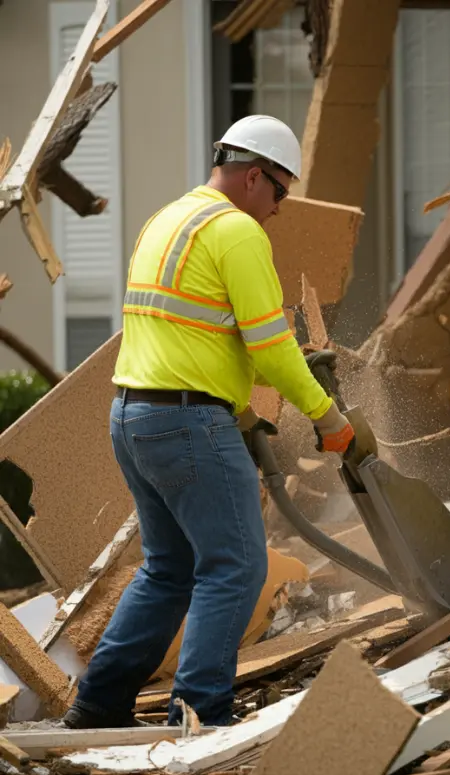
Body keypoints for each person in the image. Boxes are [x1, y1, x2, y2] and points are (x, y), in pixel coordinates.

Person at [61, 115, 355, 729]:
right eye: (279, 193)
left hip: (133, 416)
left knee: (169, 567)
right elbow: (268, 347)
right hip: (187, 423)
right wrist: (328, 417)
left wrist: (249, 398)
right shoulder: (238, 233)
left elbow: (198, 334)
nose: (277, 210)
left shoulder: (165, 221)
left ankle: (97, 705)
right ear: (254, 178)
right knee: (236, 565)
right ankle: (199, 715)